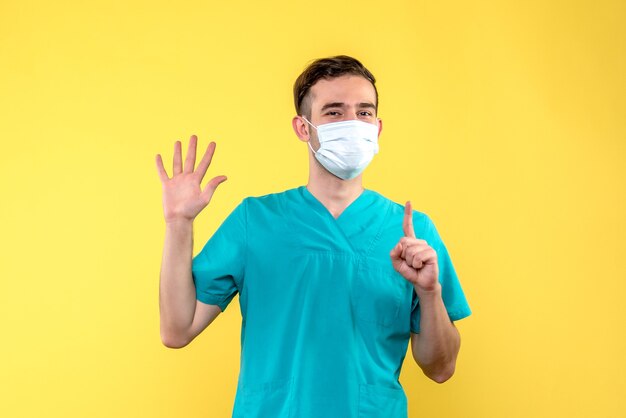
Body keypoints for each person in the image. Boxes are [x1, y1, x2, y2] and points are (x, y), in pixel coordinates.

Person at [156, 55, 471, 418]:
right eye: (334, 112)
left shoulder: (411, 233)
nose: (352, 122)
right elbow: (176, 330)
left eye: (364, 112)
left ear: (378, 128)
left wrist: (430, 294)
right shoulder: (255, 221)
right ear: (303, 128)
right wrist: (178, 223)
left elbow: (441, 368)